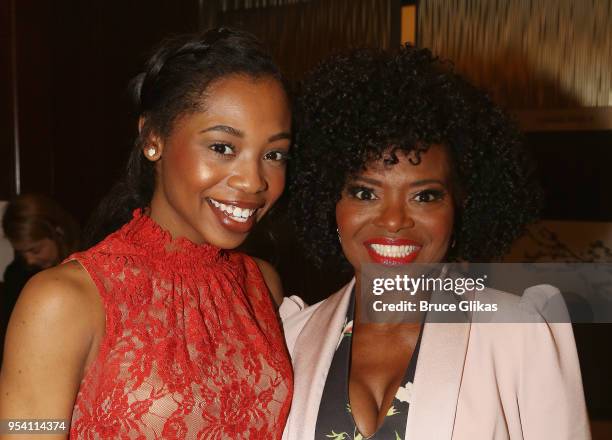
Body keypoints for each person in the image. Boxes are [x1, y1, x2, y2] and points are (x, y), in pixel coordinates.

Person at [281, 46, 590, 439]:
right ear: (328, 200)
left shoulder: (519, 334)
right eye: (365, 193)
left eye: (424, 196)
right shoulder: (290, 337)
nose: (393, 220)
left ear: (461, 206)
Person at [0, 28, 293, 439]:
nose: (253, 181)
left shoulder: (261, 285)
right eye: (222, 147)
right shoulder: (62, 301)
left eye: (273, 154)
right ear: (152, 138)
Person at [0, 193, 80, 367]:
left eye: (35, 250)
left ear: (58, 232)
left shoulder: (87, 265)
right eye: (22, 253)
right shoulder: (17, 274)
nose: (29, 260)